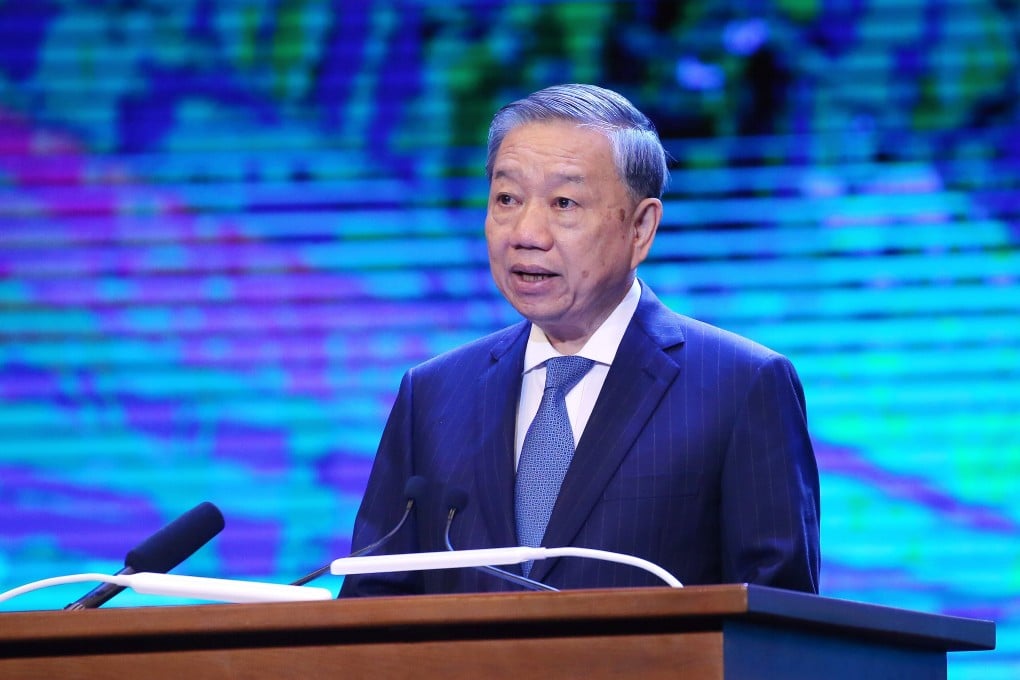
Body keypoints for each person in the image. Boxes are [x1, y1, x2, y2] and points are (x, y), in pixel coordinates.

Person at [340, 83, 819, 596]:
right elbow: (372, 604)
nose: (526, 232)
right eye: (507, 198)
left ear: (641, 228)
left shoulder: (740, 386)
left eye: (564, 202)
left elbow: (775, 622)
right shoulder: (433, 393)